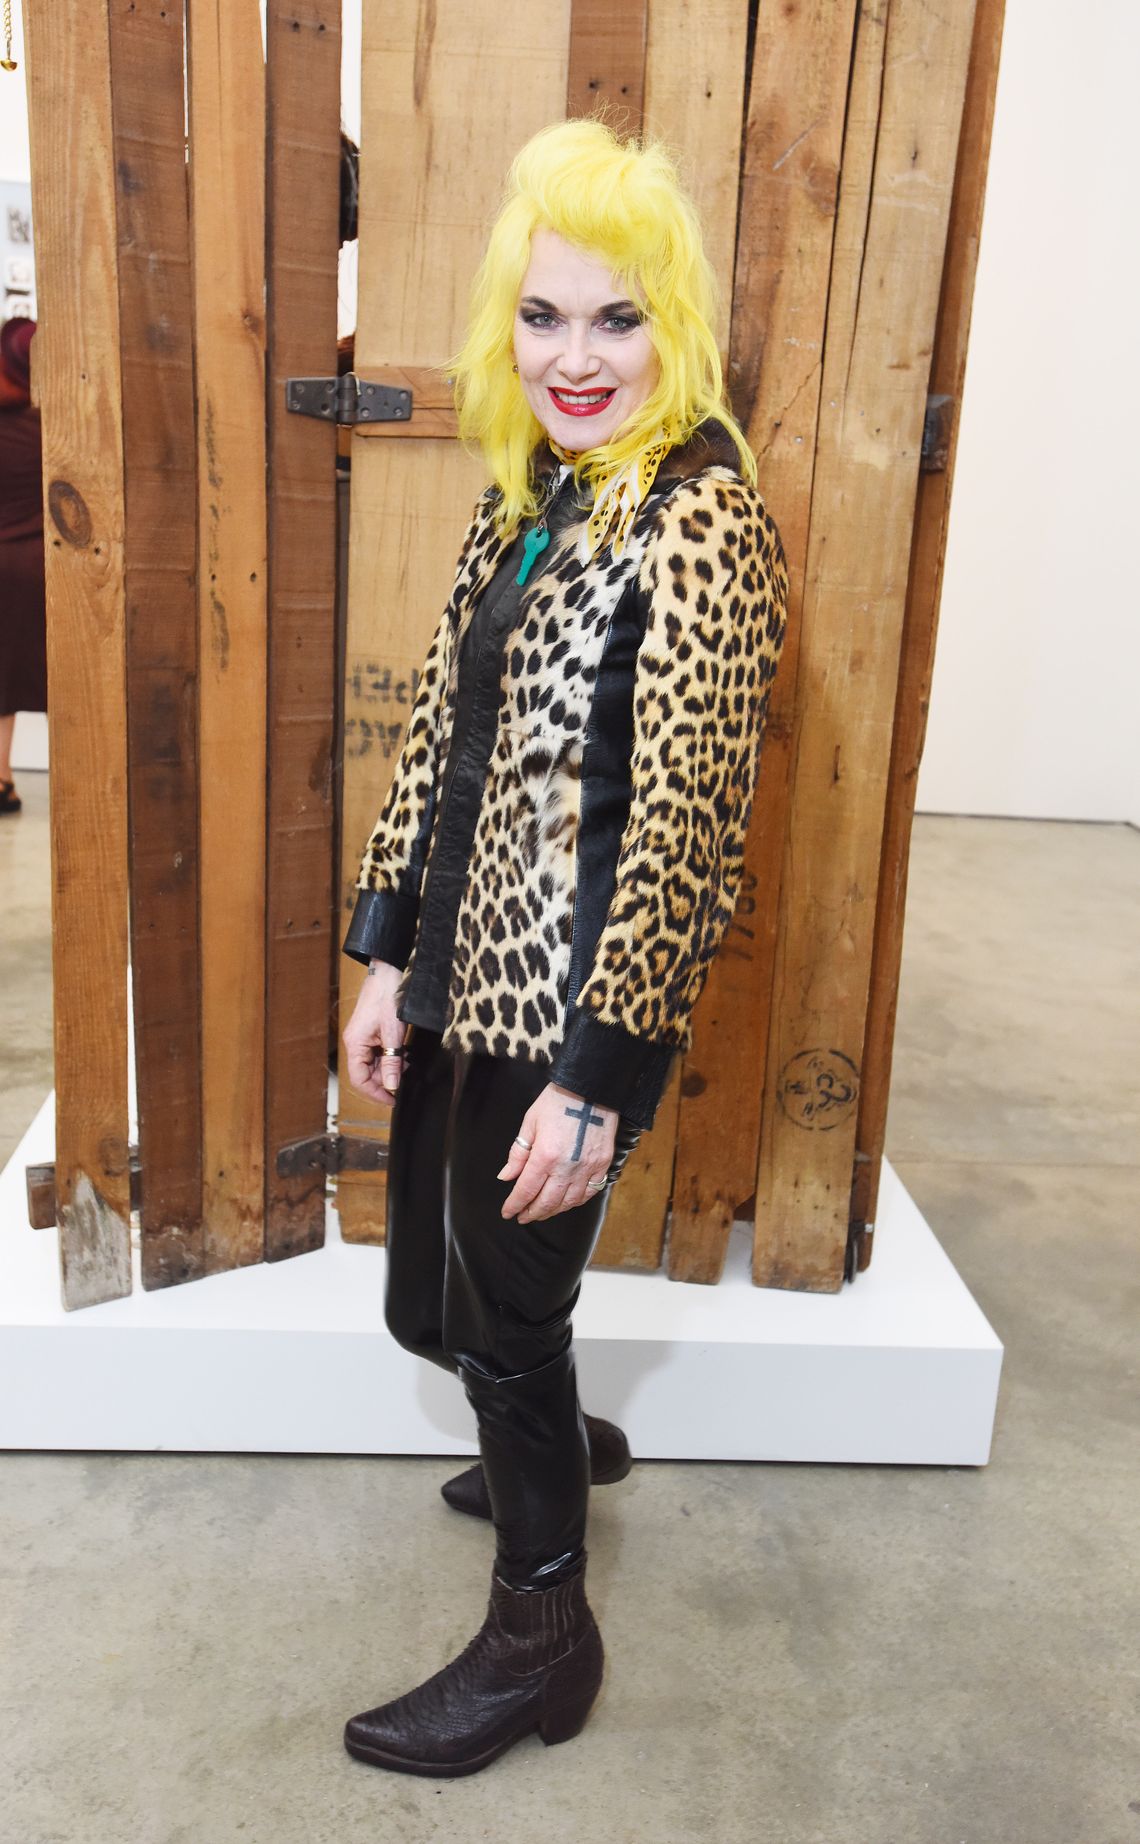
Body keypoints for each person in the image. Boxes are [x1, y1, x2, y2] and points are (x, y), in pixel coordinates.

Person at [338, 116, 789, 1778]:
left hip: (577, 1010)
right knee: (437, 1298)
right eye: (543, 316)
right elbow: (442, 738)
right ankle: (552, 1425)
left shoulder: (701, 526)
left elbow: (683, 837)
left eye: (618, 318)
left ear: (677, 327)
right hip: (469, 971)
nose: (575, 357)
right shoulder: (532, 493)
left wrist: (598, 1084)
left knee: (501, 1310)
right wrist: (390, 955)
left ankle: (543, 1635)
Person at [0, 317, 45, 817]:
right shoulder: (50, 427)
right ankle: (83, 776)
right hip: (45, 568)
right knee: (63, 676)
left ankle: (2, 779)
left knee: (3, 681)